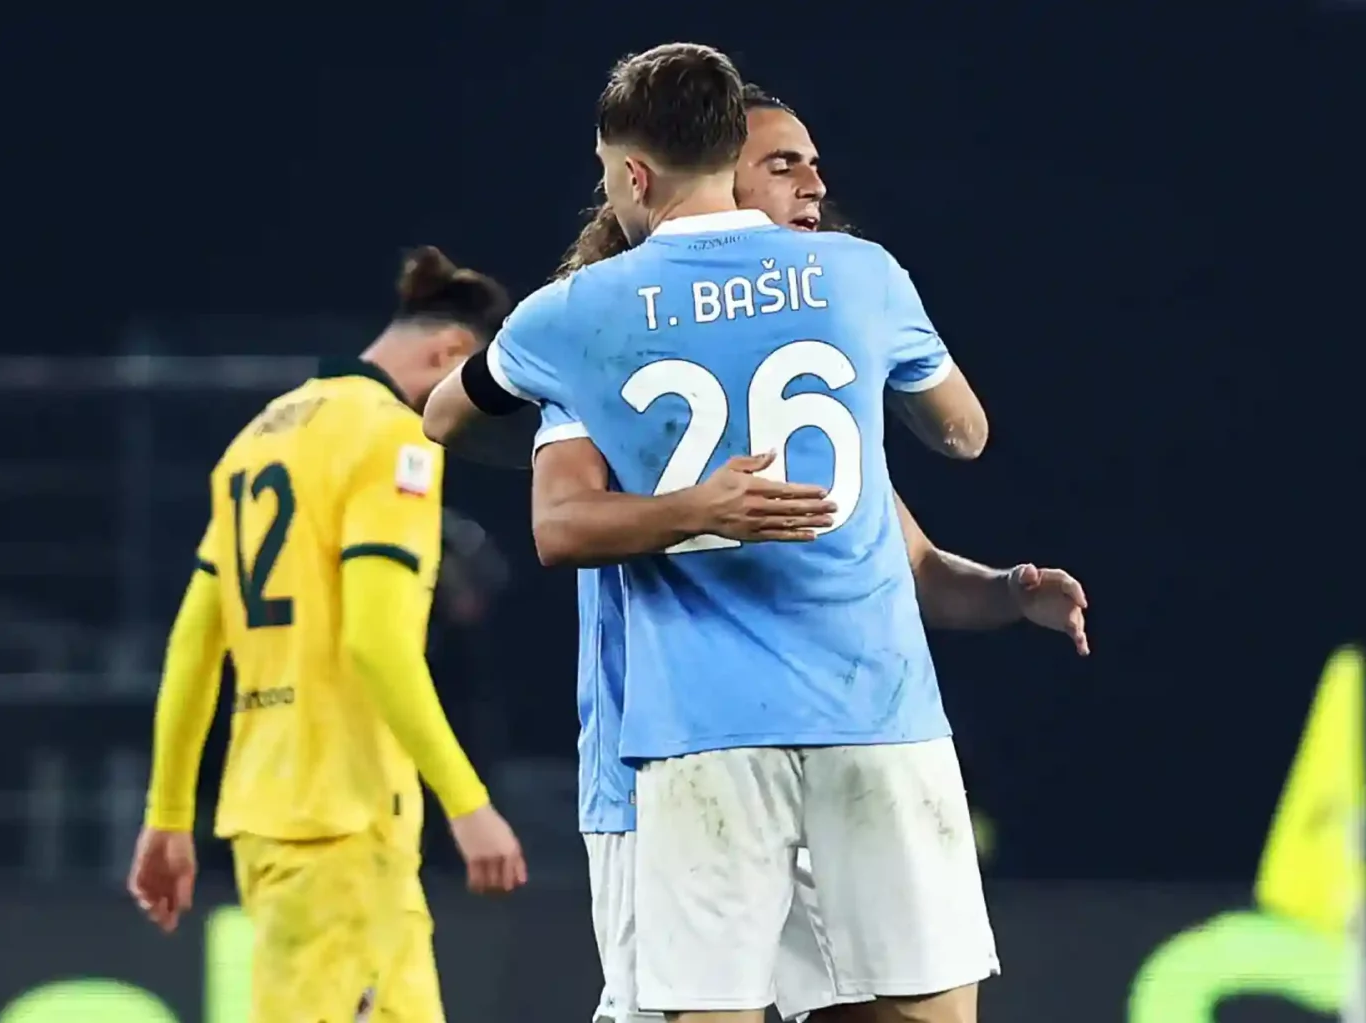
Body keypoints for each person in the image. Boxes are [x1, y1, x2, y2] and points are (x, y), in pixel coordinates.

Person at [422, 44, 997, 1023]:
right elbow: (962, 433)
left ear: (632, 176)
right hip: (874, 706)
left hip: (699, 725)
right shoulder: (859, 276)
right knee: (919, 1010)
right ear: (734, 152)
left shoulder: (576, 315)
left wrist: (644, 464)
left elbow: (444, 417)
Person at [540, 85, 1091, 1023]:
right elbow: (559, 524)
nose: (814, 184)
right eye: (780, 163)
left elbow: (910, 565)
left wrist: (1008, 591)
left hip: (837, 745)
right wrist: (692, 507)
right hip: (665, 769)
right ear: (705, 185)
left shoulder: (820, 356)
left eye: (813, 161)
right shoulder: (605, 345)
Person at [128, 247, 529, 1023]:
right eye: (472, 390)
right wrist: (468, 800)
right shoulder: (393, 440)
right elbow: (375, 642)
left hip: (279, 819)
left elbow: (192, 646)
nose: (464, 418)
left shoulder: (258, 439)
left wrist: (170, 814)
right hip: (344, 827)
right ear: (449, 354)